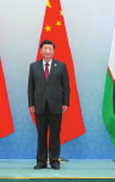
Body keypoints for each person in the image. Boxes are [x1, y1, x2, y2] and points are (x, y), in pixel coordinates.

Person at [27, 40, 69, 170]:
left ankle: (54, 160)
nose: (47, 51)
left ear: (53, 51)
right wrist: (31, 103)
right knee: (41, 135)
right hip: (39, 105)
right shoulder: (34, 66)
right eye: (45, 49)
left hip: (56, 105)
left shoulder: (61, 66)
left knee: (55, 135)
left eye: (50, 49)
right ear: (41, 51)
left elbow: (66, 86)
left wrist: (65, 102)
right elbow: (31, 87)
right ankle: (41, 161)